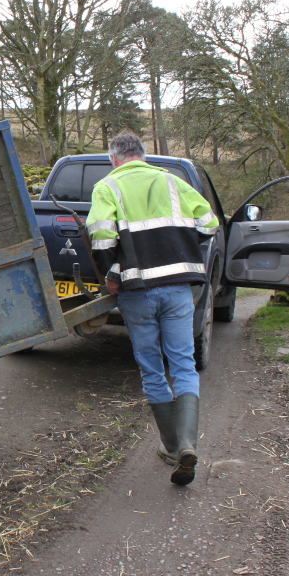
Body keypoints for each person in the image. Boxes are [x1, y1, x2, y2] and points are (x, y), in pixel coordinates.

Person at [86, 133, 219, 485]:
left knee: (152, 370)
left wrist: (113, 274)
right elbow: (210, 224)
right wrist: (178, 243)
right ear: (144, 156)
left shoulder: (106, 188)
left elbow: (100, 237)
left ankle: (172, 447)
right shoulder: (173, 183)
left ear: (113, 158)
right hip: (178, 289)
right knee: (184, 365)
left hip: (137, 291)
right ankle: (188, 443)